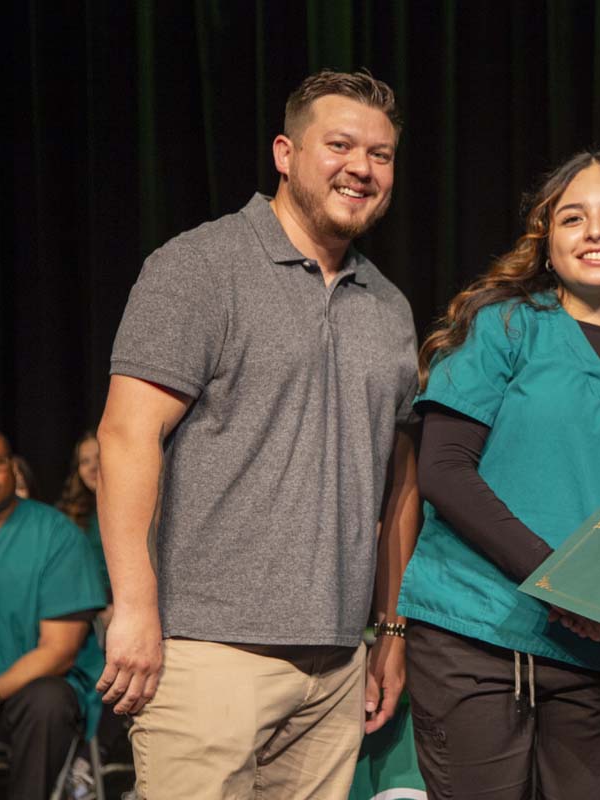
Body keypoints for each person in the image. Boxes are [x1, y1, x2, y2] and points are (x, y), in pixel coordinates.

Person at [96, 68, 420, 799]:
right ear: (285, 153)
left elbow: (399, 482)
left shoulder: (390, 308)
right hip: (204, 651)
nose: (361, 168)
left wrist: (388, 633)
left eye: (381, 154)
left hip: (335, 665)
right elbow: (125, 437)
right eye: (339, 145)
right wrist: (136, 608)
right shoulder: (199, 266)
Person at [396, 150, 600, 800]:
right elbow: (442, 470)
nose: (596, 231)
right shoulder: (505, 325)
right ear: (547, 245)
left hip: (598, 654)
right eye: (573, 218)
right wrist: (559, 581)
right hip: (477, 635)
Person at [0, 425, 107, 800]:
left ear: (13, 468)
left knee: (48, 701)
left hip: (26, 691)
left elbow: (58, 652)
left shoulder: (56, 535)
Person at [57, 430, 110, 605]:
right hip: (86, 608)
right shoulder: (66, 515)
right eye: (84, 461)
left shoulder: (138, 507)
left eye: (98, 457)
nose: (93, 467)